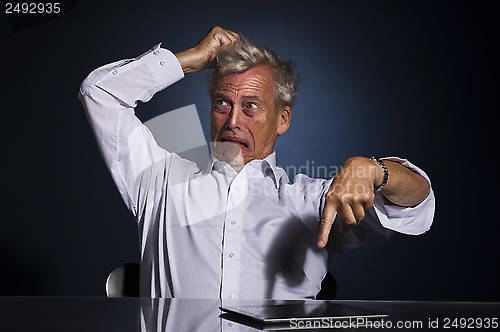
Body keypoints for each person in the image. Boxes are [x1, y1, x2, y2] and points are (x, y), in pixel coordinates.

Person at [79, 26, 435, 299]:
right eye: (222, 103)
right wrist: (190, 59)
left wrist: (374, 169)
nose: (233, 121)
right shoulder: (159, 180)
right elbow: (100, 94)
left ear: (282, 120)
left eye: (251, 106)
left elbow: (416, 206)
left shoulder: (313, 201)